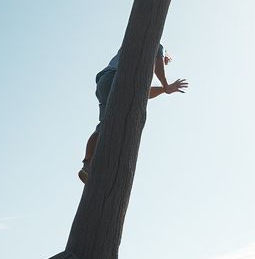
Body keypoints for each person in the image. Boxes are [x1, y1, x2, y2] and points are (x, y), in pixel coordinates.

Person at [79, 43, 187, 183]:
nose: (163, 66)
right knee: (127, 124)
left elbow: (142, 93)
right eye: (165, 62)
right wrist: (166, 85)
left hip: (105, 81)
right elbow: (158, 56)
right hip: (116, 78)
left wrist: (163, 90)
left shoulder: (138, 67)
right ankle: (102, 166)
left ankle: (88, 165)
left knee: (104, 125)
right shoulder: (154, 43)